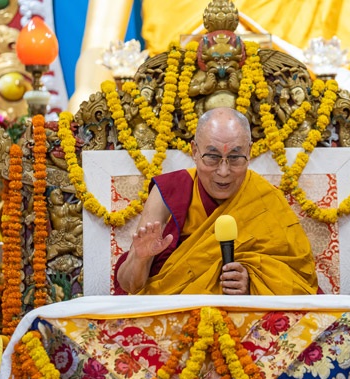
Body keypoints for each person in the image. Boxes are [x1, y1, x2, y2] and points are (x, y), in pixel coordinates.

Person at [115, 108, 318, 295]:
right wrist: (141, 259)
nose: (223, 171)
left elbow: (300, 278)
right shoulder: (170, 190)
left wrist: (251, 282)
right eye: (212, 157)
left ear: (249, 151)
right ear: (194, 151)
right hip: (177, 315)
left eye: (235, 157)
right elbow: (131, 285)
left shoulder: (265, 199)